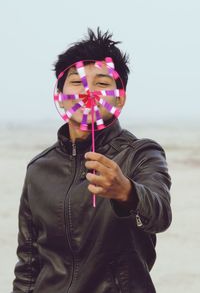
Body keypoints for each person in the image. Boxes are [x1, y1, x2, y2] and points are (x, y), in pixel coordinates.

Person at [12, 28, 172, 293]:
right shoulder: (39, 169)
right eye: (77, 82)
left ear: (119, 98)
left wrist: (127, 192)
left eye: (101, 83)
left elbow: (160, 214)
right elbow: (28, 262)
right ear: (60, 97)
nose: (89, 91)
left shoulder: (141, 154)